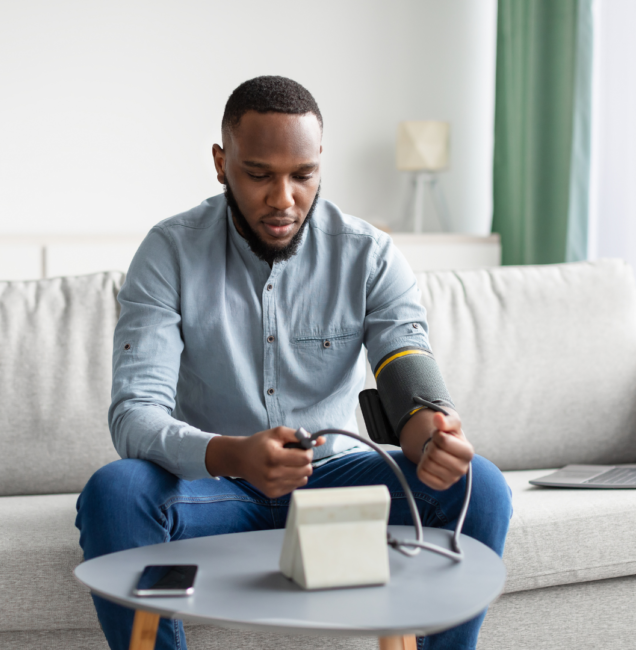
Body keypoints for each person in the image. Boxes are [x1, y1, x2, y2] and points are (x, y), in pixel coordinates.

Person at [76, 76, 512, 650]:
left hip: (336, 479)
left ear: (320, 164)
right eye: (258, 174)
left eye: (302, 176)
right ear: (220, 162)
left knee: (481, 486)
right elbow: (135, 414)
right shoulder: (169, 253)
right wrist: (232, 453)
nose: (283, 199)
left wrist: (432, 435)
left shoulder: (370, 255)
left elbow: (408, 373)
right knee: (114, 492)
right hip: (215, 483)